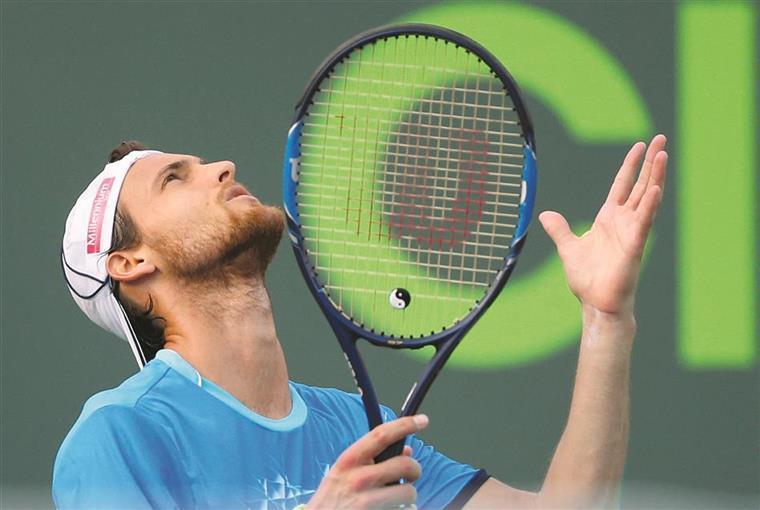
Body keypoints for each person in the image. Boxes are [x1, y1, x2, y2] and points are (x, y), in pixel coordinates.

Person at [54, 135, 668, 509]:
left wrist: (606, 318)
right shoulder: (118, 437)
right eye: (174, 179)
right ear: (130, 262)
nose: (221, 167)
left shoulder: (354, 426)